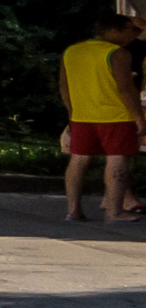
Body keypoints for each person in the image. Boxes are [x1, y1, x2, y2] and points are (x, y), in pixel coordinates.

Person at [61, 13, 146, 223]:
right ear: (115, 30)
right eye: (130, 31)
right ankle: (114, 212)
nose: (133, 37)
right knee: (117, 159)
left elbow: (64, 86)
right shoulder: (117, 53)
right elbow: (126, 89)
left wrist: (72, 112)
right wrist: (138, 117)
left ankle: (73, 211)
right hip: (116, 115)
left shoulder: (72, 51)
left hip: (82, 115)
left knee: (78, 160)